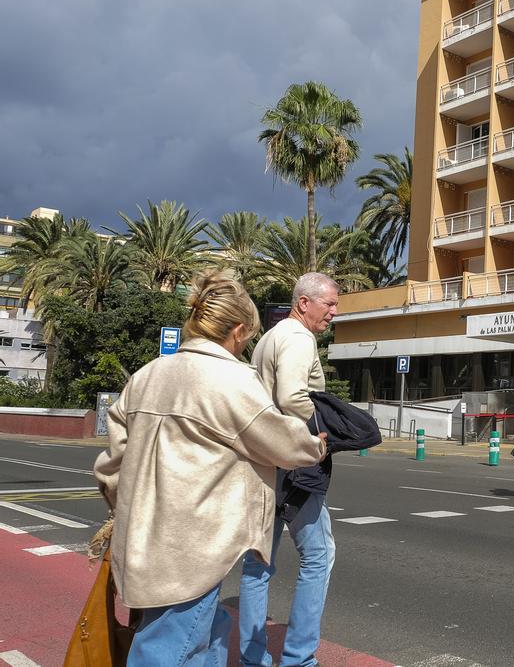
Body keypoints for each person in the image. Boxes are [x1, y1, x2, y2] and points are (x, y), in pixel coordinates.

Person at [94, 272, 325, 665]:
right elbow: (281, 442)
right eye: (247, 336)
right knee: (167, 649)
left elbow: (110, 467)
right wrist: (316, 444)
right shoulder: (230, 379)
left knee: (208, 635)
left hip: (143, 541)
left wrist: (128, 511)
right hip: (192, 548)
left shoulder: (147, 375)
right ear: (237, 330)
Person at [240, 272, 340, 667]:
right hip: (294, 463)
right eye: (328, 304)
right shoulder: (299, 337)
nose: (333, 313)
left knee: (258, 561)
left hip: (263, 462)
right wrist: (327, 427)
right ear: (304, 303)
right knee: (319, 556)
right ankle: (299, 659)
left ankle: (253, 659)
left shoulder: (269, 338)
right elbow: (293, 396)